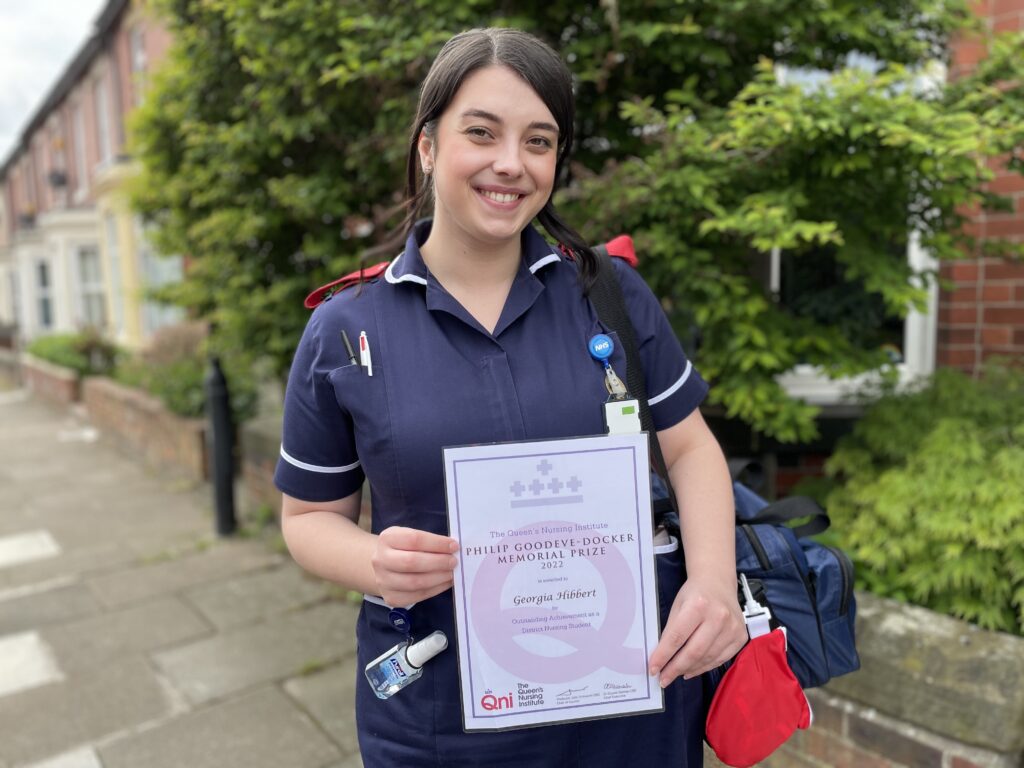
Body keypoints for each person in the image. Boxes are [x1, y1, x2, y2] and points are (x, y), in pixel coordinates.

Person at [275, 27, 746, 767]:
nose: (510, 164)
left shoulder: (609, 294)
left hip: (632, 701)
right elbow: (307, 518)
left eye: (539, 140)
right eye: (482, 133)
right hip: (444, 718)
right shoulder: (346, 330)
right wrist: (373, 562)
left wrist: (714, 584)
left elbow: (689, 448)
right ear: (428, 145)